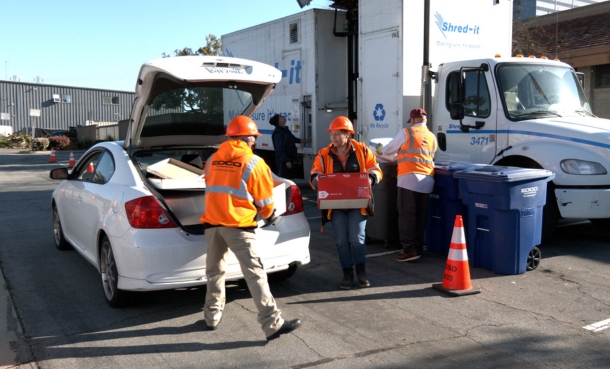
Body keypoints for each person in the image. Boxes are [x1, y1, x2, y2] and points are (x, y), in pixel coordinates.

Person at [199, 115, 301, 341]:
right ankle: (272, 324)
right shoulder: (254, 162)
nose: (254, 142)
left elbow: (211, 187)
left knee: (214, 272)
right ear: (248, 139)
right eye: (253, 138)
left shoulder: (212, 159)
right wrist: (271, 215)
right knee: (255, 274)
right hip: (238, 227)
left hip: (212, 225)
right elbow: (264, 202)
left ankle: (211, 316)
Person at [310, 116, 382, 289]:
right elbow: (315, 173)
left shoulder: (362, 150)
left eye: (337, 134)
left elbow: (375, 169)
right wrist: (318, 181)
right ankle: (347, 272)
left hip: (358, 203)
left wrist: (371, 179)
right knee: (341, 241)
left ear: (348, 135)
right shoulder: (323, 154)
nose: (333, 138)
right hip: (335, 205)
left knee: (357, 238)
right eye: (331, 134)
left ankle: (361, 270)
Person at [381, 108, 437, 262]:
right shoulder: (432, 137)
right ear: (425, 121)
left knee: (407, 215)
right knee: (420, 216)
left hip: (409, 178)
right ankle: (418, 248)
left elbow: (387, 150)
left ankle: (409, 250)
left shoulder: (407, 132)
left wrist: (377, 147)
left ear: (412, 120)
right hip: (428, 180)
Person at [270, 114, 311, 179]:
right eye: (280, 116)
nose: (283, 116)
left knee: (291, 177)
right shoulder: (278, 133)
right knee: (285, 179)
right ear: (279, 121)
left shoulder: (285, 130)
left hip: (290, 158)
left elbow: (294, 139)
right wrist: (286, 161)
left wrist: (307, 141)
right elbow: (279, 149)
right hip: (283, 162)